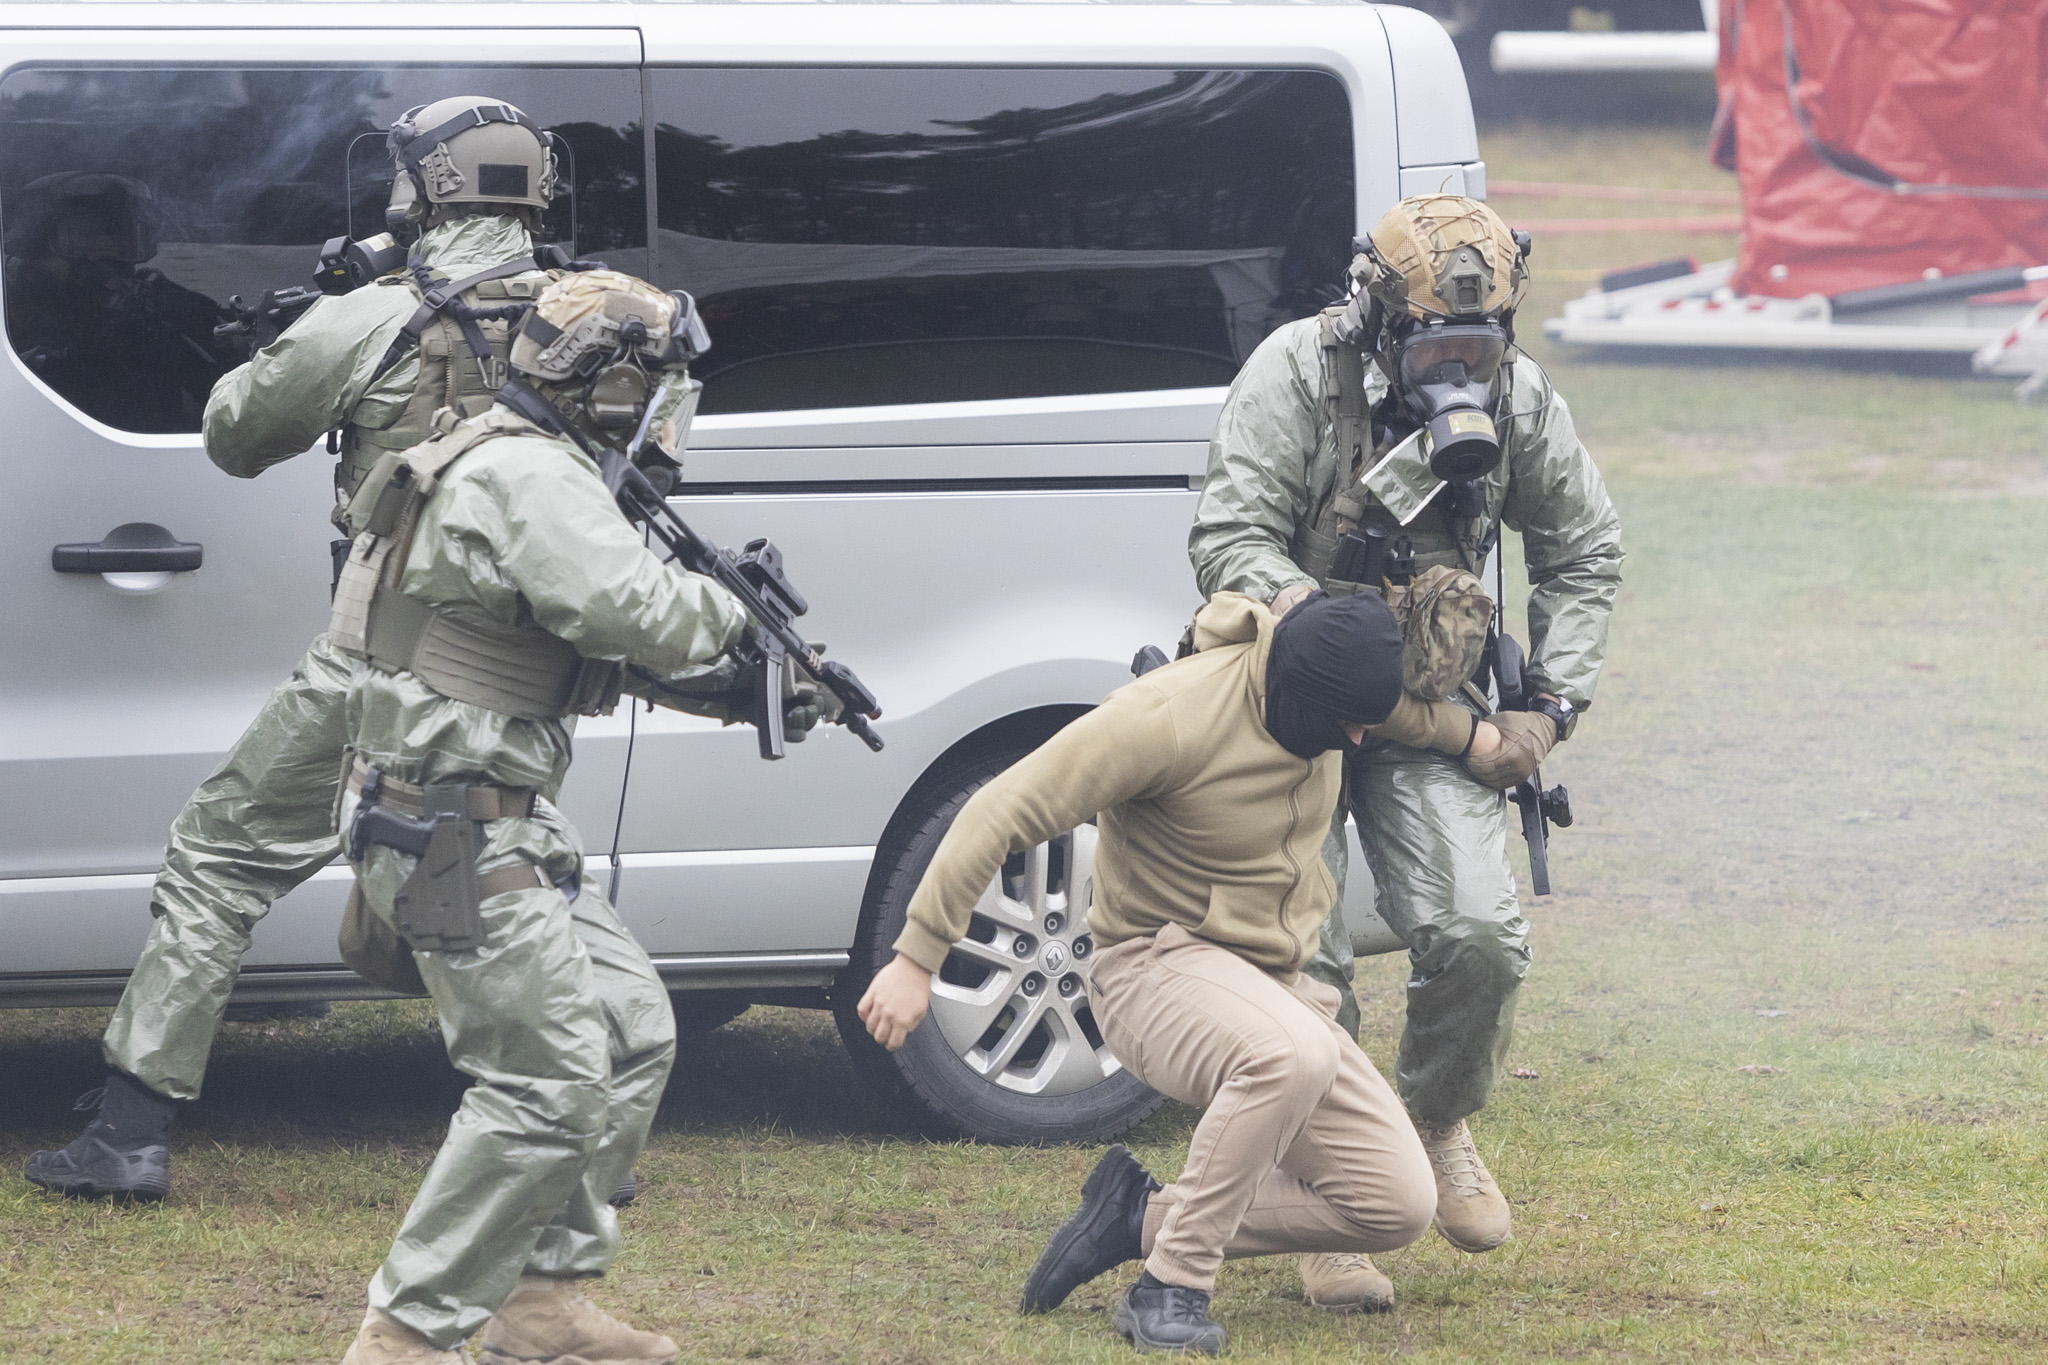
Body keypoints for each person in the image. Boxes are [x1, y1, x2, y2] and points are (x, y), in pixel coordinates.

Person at [24, 94, 573, 1202]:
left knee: (221, 854)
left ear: (430, 187)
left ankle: (129, 1129)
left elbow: (234, 434)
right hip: (522, 664)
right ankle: (574, 1136)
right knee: (494, 877)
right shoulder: (597, 317)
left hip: (383, 656)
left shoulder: (377, 315)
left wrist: (289, 346)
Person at [332, 269, 803, 1365]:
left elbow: (564, 645)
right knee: (541, 1084)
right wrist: (739, 626)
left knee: (629, 1032)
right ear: (611, 383)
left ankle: (537, 1299)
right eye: (658, 387)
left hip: (492, 820)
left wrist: (746, 683)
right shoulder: (530, 475)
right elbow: (632, 608)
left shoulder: (510, 457)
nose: (666, 414)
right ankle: (404, 1335)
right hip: (451, 828)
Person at [856, 589, 1490, 1355]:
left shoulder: (1328, 695)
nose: (1356, 738)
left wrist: (1484, 738)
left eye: (1366, 720)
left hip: (1271, 989)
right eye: (1346, 723)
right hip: (1151, 967)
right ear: (1296, 691)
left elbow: (1404, 718)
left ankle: (1136, 1217)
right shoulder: (1168, 716)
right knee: (1292, 1053)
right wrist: (916, 957)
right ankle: (1170, 1285)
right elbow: (1003, 806)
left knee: (1396, 1201)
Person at [1187, 194, 1625, 1285]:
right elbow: (1228, 534)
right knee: (1305, 956)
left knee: (1481, 936)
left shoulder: (1516, 398)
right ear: (1380, 321)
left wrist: (1548, 707)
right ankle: (1325, 1193)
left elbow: (1582, 548)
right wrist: (1315, 625)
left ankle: (1433, 1117)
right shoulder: (1296, 373)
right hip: (1287, 701)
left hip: (1434, 705)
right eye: (1434, 351)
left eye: (1477, 350)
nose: (1457, 370)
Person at [2, 170, 231, 432]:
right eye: (87, 233)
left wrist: (196, 322)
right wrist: (79, 353)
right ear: (43, 243)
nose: (107, 244)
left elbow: (227, 407)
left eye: (117, 232)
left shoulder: (148, 304)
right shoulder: (15, 308)